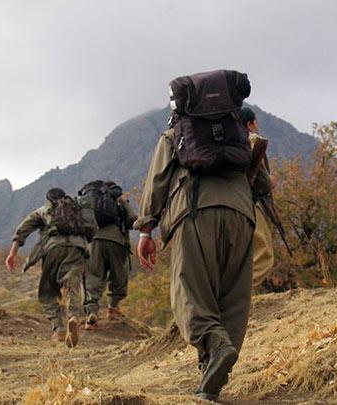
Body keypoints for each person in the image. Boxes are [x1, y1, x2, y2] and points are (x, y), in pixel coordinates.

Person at [135, 70, 255, 401]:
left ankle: (215, 347)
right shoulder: (239, 133)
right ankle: (212, 375)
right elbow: (260, 180)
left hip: (195, 211)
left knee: (189, 291)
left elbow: (158, 180)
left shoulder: (176, 132)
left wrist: (146, 229)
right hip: (243, 216)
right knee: (232, 297)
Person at [5, 188, 96, 348]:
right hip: (77, 248)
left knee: (48, 291)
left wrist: (13, 252)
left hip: (53, 248)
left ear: (48, 199)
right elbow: (91, 229)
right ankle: (73, 316)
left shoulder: (44, 210)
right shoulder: (76, 209)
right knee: (72, 284)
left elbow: (23, 229)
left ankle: (59, 328)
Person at [80, 180, 137, 329]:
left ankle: (91, 313)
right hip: (116, 240)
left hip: (94, 241)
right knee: (118, 274)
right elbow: (132, 219)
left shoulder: (92, 200)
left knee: (93, 276)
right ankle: (113, 308)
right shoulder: (118, 197)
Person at [240, 106, 276, 289]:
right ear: (249, 124)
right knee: (264, 254)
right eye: (255, 122)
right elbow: (263, 183)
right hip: (246, 204)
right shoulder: (252, 141)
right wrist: (270, 180)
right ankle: (237, 295)